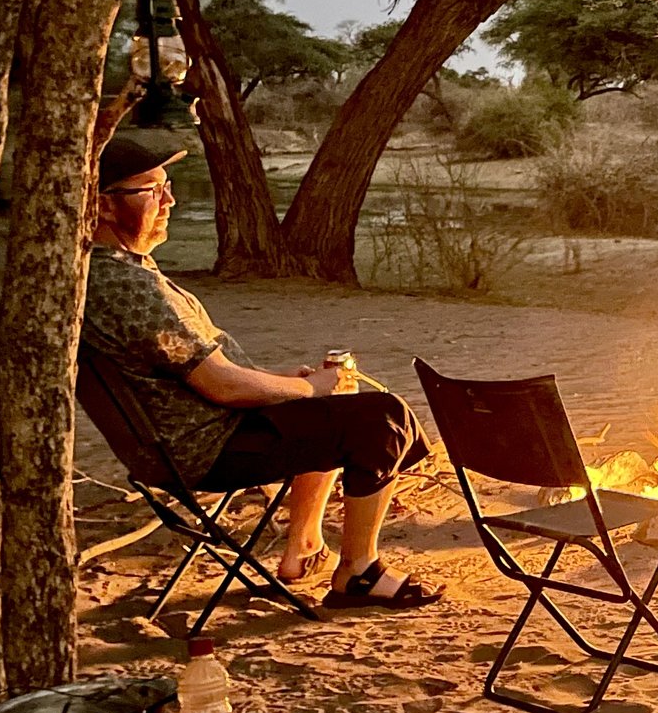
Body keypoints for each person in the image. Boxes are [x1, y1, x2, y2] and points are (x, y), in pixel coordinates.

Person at [83, 134, 442, 609]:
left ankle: (305, 545)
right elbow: (223, 385)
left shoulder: (113, 272)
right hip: (209, 447)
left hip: (187, 437)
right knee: (383, 417)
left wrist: (296, 386)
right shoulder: (126, 288)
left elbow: (198, 373)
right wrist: (304, 386)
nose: (169, 200)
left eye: (168, 187)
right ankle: (359, 572)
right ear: (104, 206)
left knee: (332, 401)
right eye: (152, 191)